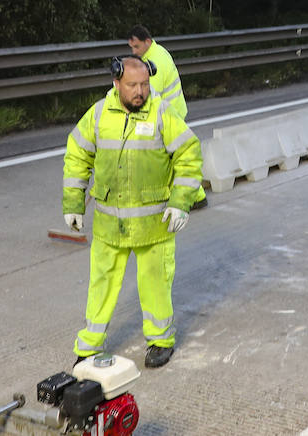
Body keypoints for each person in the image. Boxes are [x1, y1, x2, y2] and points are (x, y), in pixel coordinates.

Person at [62, 55, 204, 367]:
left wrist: (181, 202)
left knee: (156, 285)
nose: (140, 91)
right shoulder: (99, 115)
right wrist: (73, 202)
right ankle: (88, 346)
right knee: (101, 286)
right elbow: (77, 155)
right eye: (132, 85)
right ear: (116, 83)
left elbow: (189, 155)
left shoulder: (162, 114)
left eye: (144, 84)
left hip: (154, 226)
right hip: (110, 226)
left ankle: (160, 341)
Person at [128, 25, 207, 209]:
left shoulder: (155, 63)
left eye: (136, 47)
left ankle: (196, 197)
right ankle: (194, 196)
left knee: (168, 159)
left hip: (170, 117)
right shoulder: (152, 54)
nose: (134, 51)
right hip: (170, 114)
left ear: (147, 42)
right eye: (131, 47)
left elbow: (147, 99)